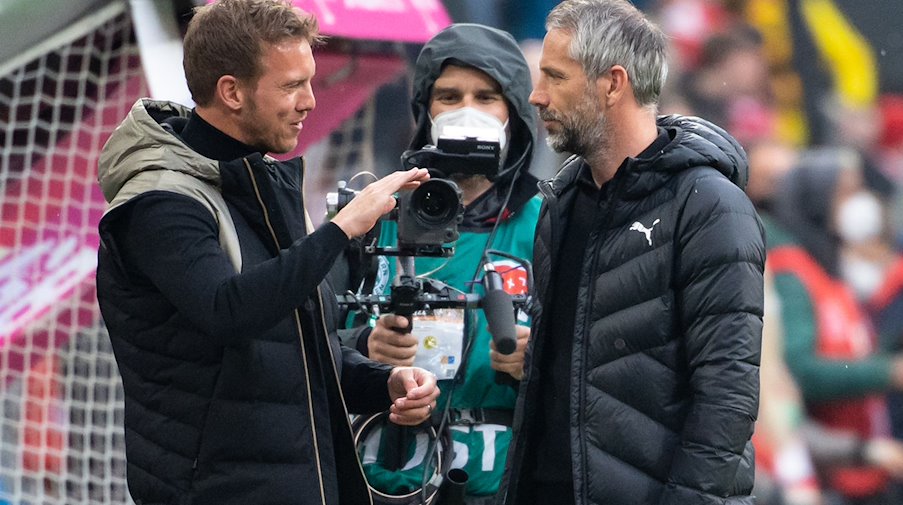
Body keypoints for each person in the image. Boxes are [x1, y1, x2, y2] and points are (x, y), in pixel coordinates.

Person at [94, 1, 439, 504]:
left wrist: (383, 383)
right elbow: (229, 311)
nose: (310, 102)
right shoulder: (158, 202)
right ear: (232, 91)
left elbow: (294, 354)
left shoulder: (261, 185)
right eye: (291, 85)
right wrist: (341, 228)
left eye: (311, 82)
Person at [498, 1, 766, 504]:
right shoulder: (562, 202)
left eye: (555, 77)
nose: (537, 96)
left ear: (613, 83)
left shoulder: (710, 205)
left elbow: (727, 398)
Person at [341, 23, 542, 503]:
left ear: (513, 112)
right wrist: (367, 344)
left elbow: (591, 363)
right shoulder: (373, 210)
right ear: (424, 110)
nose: (466, 111)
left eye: (485, 96)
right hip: (381, 484)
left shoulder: (547, 222)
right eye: (448, 96)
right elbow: (308, 338)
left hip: (496, 486)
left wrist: (537, 359)